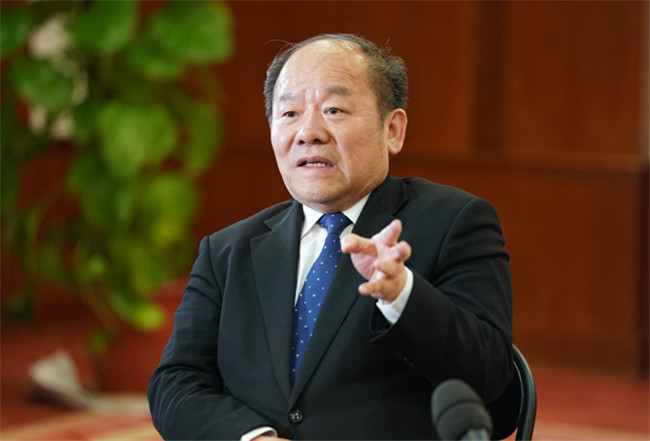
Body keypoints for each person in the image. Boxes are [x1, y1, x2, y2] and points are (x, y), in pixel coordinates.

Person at [148, 33, 514, 440]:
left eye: (333, 109)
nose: (309, 132)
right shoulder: (227, 251)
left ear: (392, 129)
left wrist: (402, 297)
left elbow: (496, 387)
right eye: (289, 113)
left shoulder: (454, 222)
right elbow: (176, 383)